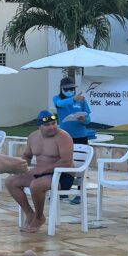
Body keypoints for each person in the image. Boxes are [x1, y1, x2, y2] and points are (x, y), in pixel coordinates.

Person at [5, 111, 75, 233]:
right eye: (47, 125)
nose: (52, 127)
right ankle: (30, 214)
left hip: (62, 175)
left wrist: (42, 170)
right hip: (40, 174)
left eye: (54, 123)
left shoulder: (63, 137)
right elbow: (27, 155)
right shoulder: (33, 137)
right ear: (39, 126)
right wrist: (22, 167)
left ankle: (39, 217)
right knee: (10, 181)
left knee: (36, 185)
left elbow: (66, 162)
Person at [52, 76, 92, 204]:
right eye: (67, 89)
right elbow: (59, 104)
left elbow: (88, 118)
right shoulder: (57, 98)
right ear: (62, 89)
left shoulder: (81, 100)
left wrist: (84, 119)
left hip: (80, 135)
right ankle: (62, 190)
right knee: (63, 162)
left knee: (81, 164)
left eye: (72, 89)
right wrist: (73, 99)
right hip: (64, 136)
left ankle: (80, 193)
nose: (70, 91)